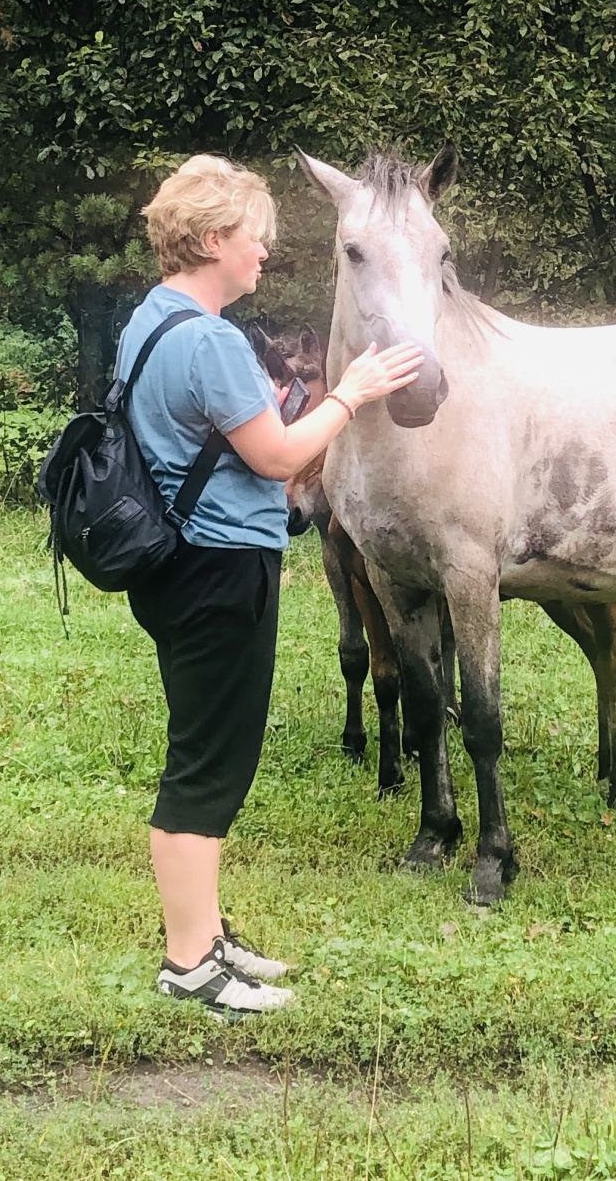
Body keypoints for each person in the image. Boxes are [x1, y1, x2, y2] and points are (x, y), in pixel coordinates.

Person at [115, 154, 422, 1018]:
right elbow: (280, 457)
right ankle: (189, 967)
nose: (264, 256)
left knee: (210, 752)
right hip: (216, 569)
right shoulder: (209, 340)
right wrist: (350, 392)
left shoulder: (153, 318)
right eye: (256, 240)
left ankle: (207, 936)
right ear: (214, 240)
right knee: (208, 766)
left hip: (182, 562)